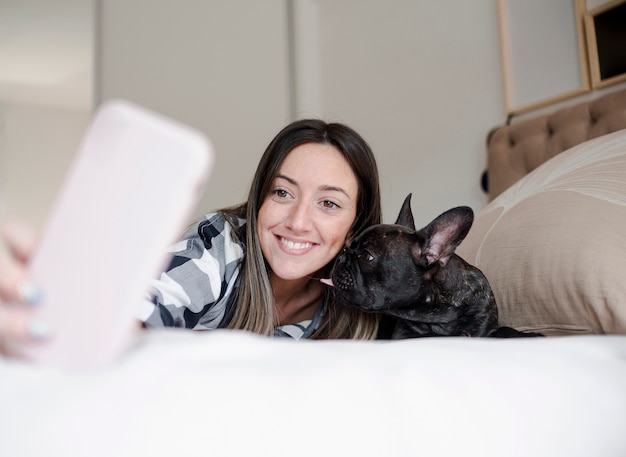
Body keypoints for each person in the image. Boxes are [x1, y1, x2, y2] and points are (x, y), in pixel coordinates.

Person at [0, 118, 383, 353]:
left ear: (356, 226)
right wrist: (64, 319)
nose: (298, 221)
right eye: (282, 193)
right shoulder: (221, 246)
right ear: (260, 198)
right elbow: (139, 312)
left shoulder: (366, 303)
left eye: (329, 204)